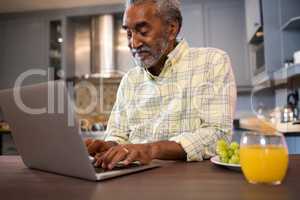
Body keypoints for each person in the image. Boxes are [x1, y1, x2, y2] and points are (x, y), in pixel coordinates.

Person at [86, 0, 237, 170]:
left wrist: (151, 149)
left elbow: (218, 135)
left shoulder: (212, 62)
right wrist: (110, 146)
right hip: (134, 183)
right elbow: (118, 134)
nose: (133, 44)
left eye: (142, 31)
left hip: (192, 185)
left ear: (171, 29)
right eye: (129, 33)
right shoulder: (130, 80)